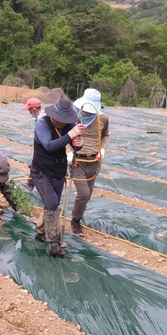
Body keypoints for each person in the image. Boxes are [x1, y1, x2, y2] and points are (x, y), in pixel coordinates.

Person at [30, 98, 85, 257]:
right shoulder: (42, 124)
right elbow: (49, 145)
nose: (63, 123)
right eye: (60, 120)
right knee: (52, 203)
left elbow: (72, 143)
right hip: (41, 171)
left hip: (58, 171)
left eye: (66, 120)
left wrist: (78, 142)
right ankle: (54, 242)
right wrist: (70, 135)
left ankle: (41, 232)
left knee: (51, 204)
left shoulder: (68, 125)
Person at [69, 89, 110, 235]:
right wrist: (68, 151)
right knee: (83, 193)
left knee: (89, 193)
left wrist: (102, 149)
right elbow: (65, 135)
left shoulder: (103, 119)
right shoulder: (73, 117)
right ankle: (75, 221)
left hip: (93, 161)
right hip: (77, 160)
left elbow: (105, 135)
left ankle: (78, 216)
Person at [21, 98, 45, 191]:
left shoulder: (41, 120)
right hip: (40, 148)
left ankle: (32, 184)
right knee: (35, 166)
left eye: (29, 110)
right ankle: (31, 183)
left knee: (36, 167)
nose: (29, 112)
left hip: (43, 149)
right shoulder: (41, 117)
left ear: (34, 109)